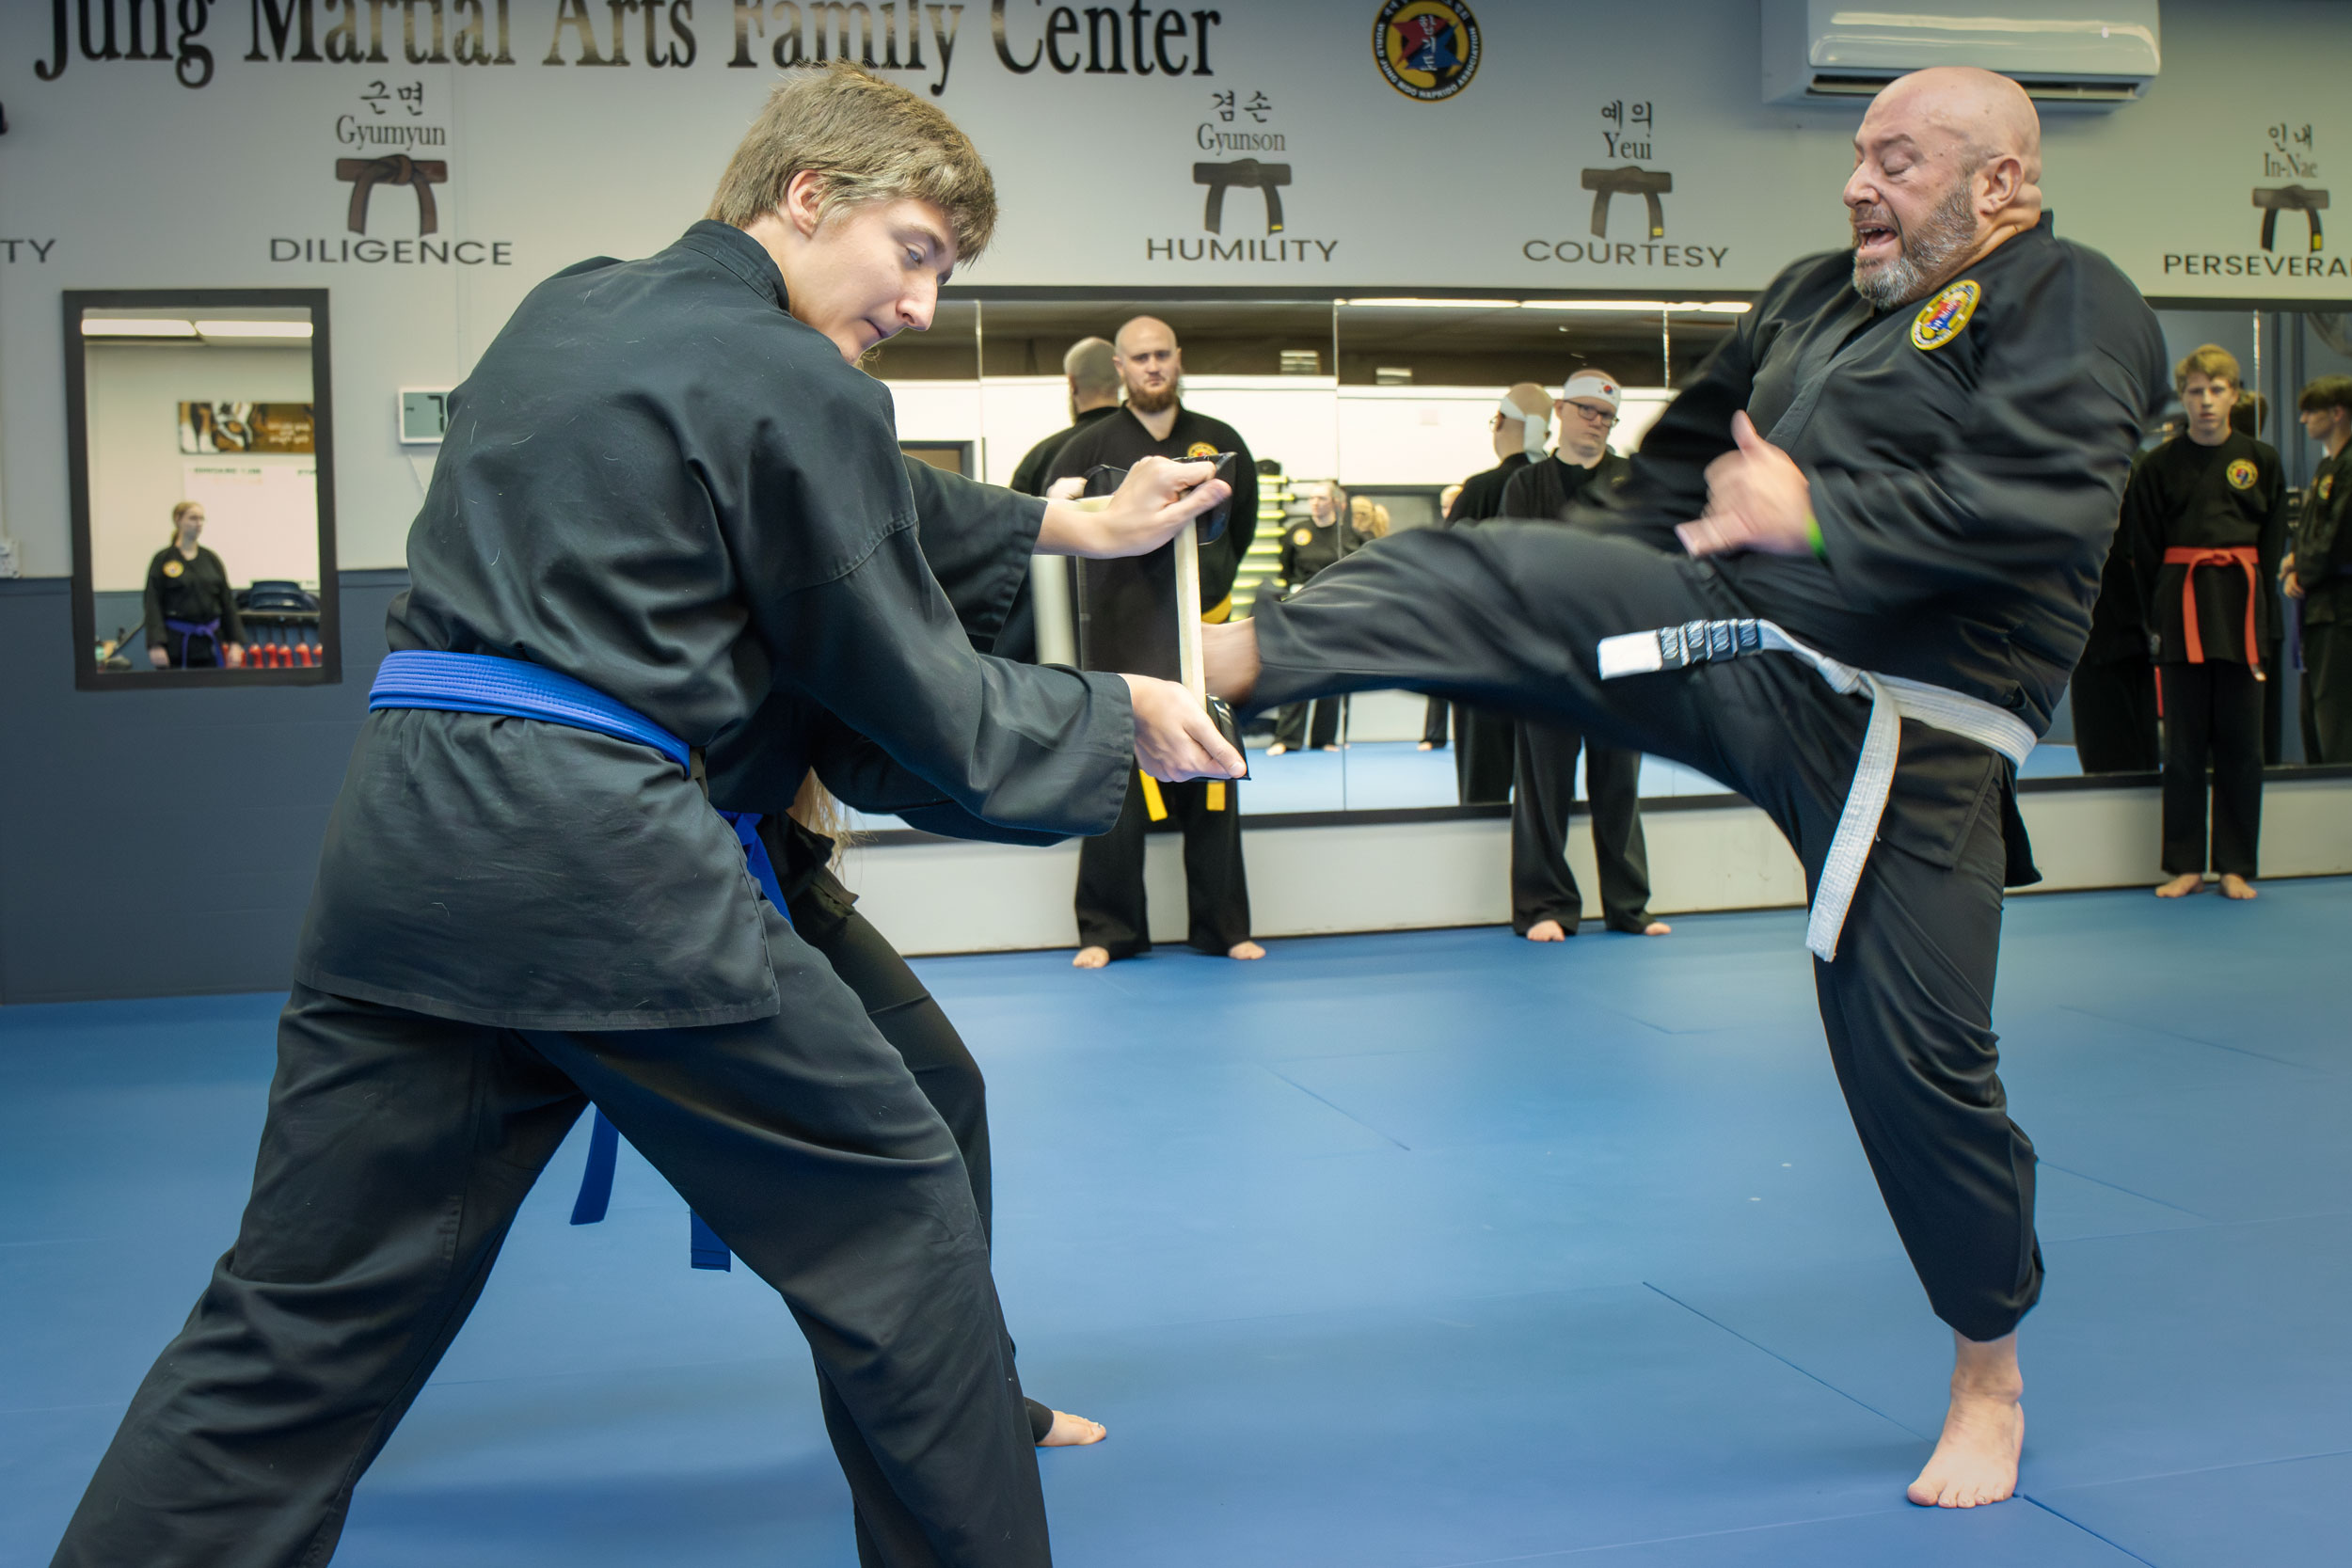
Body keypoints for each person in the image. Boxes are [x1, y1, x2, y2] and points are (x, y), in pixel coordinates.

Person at [50, 63, 1244, 1568]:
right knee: (898, 1218)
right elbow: (918, 687)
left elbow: (846, 483)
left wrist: (1072, 518)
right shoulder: (800, 378)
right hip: (600, 860)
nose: (923, 302)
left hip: (404, 849)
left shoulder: (568, 309)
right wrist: (1115, 711)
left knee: (294, 1314)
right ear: (807, 195)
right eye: (917, 253)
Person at [1204, 67, 2168, 1511]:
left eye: (1898, 160)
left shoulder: (2070, 297)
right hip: (1738, 643)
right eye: (1858, 154)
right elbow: (1662, 486)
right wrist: (1590, 579)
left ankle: (1989, 1369)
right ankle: (1214, 667)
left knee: (1912, 1063)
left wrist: (1818, 517)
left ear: (2002, 185)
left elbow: (2048, 507)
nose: (1857, 183)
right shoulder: (1811, 296)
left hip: (1916, 730)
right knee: (1495, 570)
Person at [1048, 314, 1263, 968]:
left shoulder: (1220, 440)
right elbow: (1056, 529)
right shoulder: (1086, 447)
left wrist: (1204, 592)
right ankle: (1107, 929)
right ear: (1119, 367)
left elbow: (1240, 529)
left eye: (1162, 354)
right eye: (1139, 357)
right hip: (1119, 639)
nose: (1152, 366)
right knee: (1113, 784)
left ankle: (1223, 926)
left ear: (1178, 358)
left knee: (1216, 775)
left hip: (1204, 630)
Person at [1495, 371, 1668, 941]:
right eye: (1587, 410)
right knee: (1543, 787)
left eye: (1607, 416)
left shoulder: (1632, 483)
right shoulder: (1526, 486)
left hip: (1622, 655)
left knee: (1619, 785)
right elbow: (1516, 566)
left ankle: (1628, 906)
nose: (1596, 422)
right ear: (1562, 411)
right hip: (1546, 655)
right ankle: (1544, 907)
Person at [2122, 346, 2288, 900]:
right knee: (2184, 747)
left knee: (2243, 746)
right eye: (2196, 391)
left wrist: (2263, 616)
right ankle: (2186, 864)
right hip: (2182, 608)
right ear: (2183, 398)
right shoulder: (2159, 466)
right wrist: (2159, 615)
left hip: (2243, 610)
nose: (2206, 401)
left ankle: (2236, 865)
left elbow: (2272, 544)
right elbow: (2145, 549)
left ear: (2235, 395)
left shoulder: (2261, 460)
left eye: (2217, 390)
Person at [1444, 384, 1554, 801]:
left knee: (1484, 787)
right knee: (1545, 785)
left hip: (1483, 657)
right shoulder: (1560, 489)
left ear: (1503, 424)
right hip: (1547, 658)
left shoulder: (1479, 490)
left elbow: (1448, 572)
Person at [2066, 433, 2161, 772]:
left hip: (2105, 621)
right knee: (2138, 743)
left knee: (2109, 748)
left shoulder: (2101, 463)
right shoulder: (2139, 461)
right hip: (2126, 621)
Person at [1266, 481, 1367, 755]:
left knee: (1332, 673)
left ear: (1335, 503)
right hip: (1302, 607)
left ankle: (1324, 738)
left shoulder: (1350, 536)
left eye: (1321, 498)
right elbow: (1286, 570)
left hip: (1338, 611)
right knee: (1295, 672)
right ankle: (1287, 738)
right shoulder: (1298, 532)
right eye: (1312, 498)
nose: (1315, 503)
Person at [2287, 374, 2352, 761]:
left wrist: (2300, 568)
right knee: (2314, 720)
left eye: (2311, 411)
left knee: (2337, 724)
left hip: (2342, 614)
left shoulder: (2349, 468)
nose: (2303, 419)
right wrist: (2293, 560)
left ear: (2337, 412)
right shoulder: (2328, 467)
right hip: (2318, 610)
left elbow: (2338, 538)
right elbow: (2310, 528)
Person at [1009, 336, 1120, 497]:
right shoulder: (1147, 440)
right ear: (1121, 378)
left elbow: (1016, 510)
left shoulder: (1043, 456)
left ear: (1072, 383)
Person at [141, 500, 246, 669]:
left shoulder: (210, 559)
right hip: (175, 644)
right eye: (193, 518)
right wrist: (156, 644)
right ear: (178, 520)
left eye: (201, 519)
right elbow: (152, 603)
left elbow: (227, 602)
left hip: (209, 644)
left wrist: (235, 643)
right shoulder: (163, 559)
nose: (198, 523)